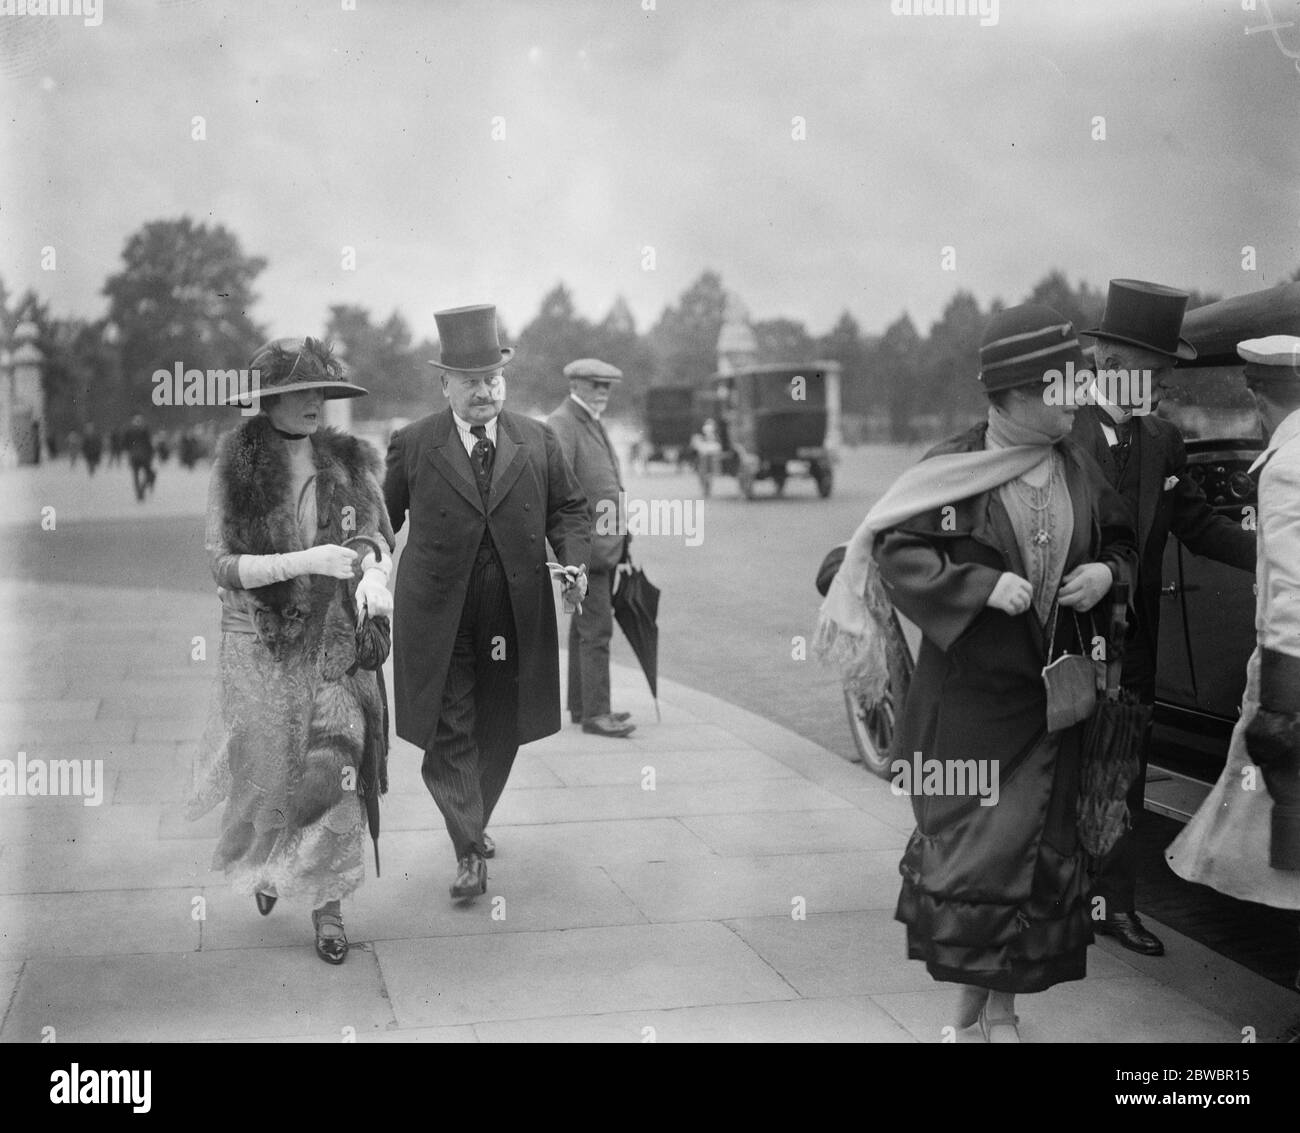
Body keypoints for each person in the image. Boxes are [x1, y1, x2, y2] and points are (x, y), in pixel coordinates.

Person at [815, 304, 1137, 1041]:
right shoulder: (952, 471)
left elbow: (1121, 541)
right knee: (979, 869)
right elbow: (897, 554)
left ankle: (996, 1013)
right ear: (1015, 396)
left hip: (1052, 716)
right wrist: (977, 587)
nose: (1075, 399)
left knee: (1032, 870)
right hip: (971, 717)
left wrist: (1103, 572)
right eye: (1060, 388)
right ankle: (976, 1015)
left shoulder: (1075, 464)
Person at [187, 337, 394, 966]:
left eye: (319, 392)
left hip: (336, 648)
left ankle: (328, 907)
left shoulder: (350, 463)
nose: (312, 403)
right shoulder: (238, 473)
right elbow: (223, 565)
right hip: (261, 649)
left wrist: (374, 573)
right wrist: (307, 559)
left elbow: (379, 538)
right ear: (266, 402)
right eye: (295, 393)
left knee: (337, 774)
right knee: (272, 775)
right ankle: (271, 860)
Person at [1072, 279, 1256, 956]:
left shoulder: (1165, 442)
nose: (1162, 386)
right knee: (1053, 768)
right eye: (1155, 373)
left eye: (1166, 375)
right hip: (1060, 642)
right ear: (1111, 365)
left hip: (1132, 643)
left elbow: (1199, 526)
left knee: (1120, 773)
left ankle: (1112, 905)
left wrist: (1278, 552)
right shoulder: (1057, 434)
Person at [384, 304, 591, 901]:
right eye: (470, 381)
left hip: (512, 613)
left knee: (499, 728)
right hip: (438, 614)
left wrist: (573, 561)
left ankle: (470, 821)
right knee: (449, 730)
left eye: (493, 378)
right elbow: (381, 518)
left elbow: (568, 511)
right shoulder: (414, 443)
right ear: (444, 383)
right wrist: (363, 566)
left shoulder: (538, 439)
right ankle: (469, 848)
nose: (484, 391)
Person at [1167, 336, 1300, 1013]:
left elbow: (1288, 592)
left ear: (1256, 395)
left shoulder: (1283, 466)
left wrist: (1275, 702)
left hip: (1293, 677)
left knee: (1287, 842)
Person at [547, 358, 636, 738]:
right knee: (596, 630)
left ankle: (584, 706)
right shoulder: (564, 423)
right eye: (595, 384)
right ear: (576, 385)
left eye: (607, 386)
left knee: (584, 628)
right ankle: (597, 713)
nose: (603, 392)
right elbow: (559, 486)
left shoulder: (586, 420)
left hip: (600, 547)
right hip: (585, 551)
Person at [123, 414, 156, 501]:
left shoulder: (129, 432)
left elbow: (125, 445)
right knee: (148, 474)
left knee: (136, 476)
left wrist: (130, 450)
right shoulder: (144, 431)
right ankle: (141, 490)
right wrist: (151, 453)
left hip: (134, 456)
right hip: (143, 456)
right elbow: (149, 444)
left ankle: (139, 492)